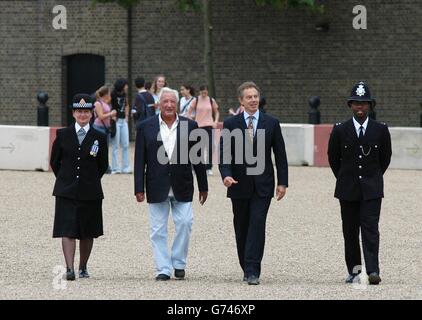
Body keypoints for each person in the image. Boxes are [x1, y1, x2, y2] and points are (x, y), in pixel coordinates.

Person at [134, 87, 208, 281]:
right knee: (157, 229)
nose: (168, 105)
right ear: (159, 104)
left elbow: (198, 158)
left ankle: (178, 262)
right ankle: (163, 269)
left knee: (185, 222)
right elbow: (139, 159)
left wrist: (203, 186)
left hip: (182, 183)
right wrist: (138, 187)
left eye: (172, 102)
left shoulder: (191, 126)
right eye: (165, 101)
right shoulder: (145, 127)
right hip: (156, 183)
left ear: (177, 104)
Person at [218, 81, 288, 285]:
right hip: (238, 184)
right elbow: (225, 153)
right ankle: (245, 265)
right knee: (241, 226)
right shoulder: (231, 123)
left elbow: (280, 155)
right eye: (249, 97)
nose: (253, 100)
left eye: (255, 96)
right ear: (241, 100)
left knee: (257, 224)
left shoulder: (271, 123)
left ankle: (252, 269)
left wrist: (282, 182)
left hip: (263, 185)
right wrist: (226, 175)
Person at [328, 81, 392, 285]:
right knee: (350, 231)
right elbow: (333, 158)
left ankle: (373, 270)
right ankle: (354, 271)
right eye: (356, 103)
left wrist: (372, 178)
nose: (360, 107)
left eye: (364, 104)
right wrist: (346, 177)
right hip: (348, 188)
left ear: (370, 106)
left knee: (371, 230)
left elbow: (385, 158)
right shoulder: (340, 130)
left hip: (372, 189)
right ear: (350, 105)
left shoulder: (380, 130)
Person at [50, 93, 108, 281]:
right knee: (67, 229)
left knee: (87, 230)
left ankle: (83, 266)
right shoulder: (63, 134)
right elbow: (55, 162)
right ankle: (69, 268)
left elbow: (102, 164)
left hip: (90, 190)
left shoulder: (99, 136)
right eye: (78, 111)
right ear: (73, 113)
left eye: (86, 112)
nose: (82, 115)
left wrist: (88, 179)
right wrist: (66, 179)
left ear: (91, 114)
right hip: (66, 189)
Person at [187, 85, 220, 176]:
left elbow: (216, 112)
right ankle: (196, 167)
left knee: (210, 146)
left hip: (209, 126)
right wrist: (191, 122)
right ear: (199, 92)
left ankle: (208, 167)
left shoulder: (211, 100)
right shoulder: (196, 100)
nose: (204, 94)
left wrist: (215, 121)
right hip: (198, 126)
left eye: (205, 92)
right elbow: (189, 112)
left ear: (207, 92)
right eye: (202, 92)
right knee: (197, 147)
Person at [110, 78, 131, 174]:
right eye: (126, 85)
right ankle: (115, 168)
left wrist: (126, 116)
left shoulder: (124, 94)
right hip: (116, 121)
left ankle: (125, 167)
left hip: (123, 121)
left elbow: (127, 105)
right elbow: (108, 105)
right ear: (122, 85)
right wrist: (112, 115)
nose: (127, 87)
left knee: (126, 144)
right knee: (115, 145)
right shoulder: (112, 94)